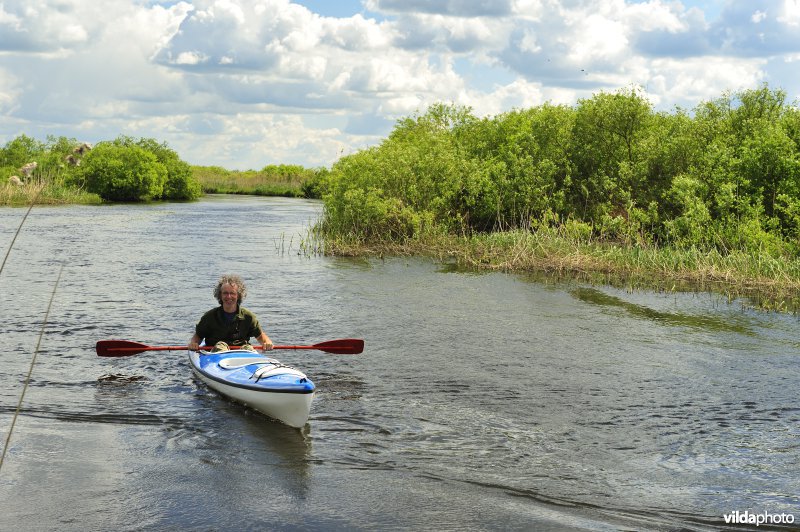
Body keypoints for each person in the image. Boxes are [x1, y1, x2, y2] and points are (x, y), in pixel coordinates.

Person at [188, 274, 273, 352]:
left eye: (232, 293)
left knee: (248, 348)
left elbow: (260, 336)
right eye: (225, 293)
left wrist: (267, 342)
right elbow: (198, 337)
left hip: (241, 351)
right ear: (220, 295)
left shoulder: (248, 317)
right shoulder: (209, 317)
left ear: (238, 295)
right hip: (216, 354)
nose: (229, 297)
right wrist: (194, 343)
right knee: (220, 346)